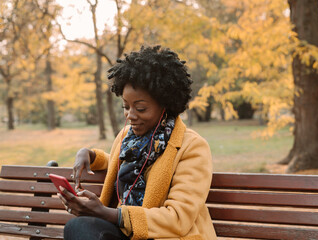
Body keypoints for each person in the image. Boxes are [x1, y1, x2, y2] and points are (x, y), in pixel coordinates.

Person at [57, 45, 216, 240]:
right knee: (79, 227)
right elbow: (126, 165)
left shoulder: (192, 147)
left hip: (165, 235)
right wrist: (90, 155)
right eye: (126, 106)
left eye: (140, 108)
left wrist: (108, 213)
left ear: (165, 105)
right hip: (129, 233)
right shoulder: (127, 137)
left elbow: (178, 218)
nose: (130, 115)